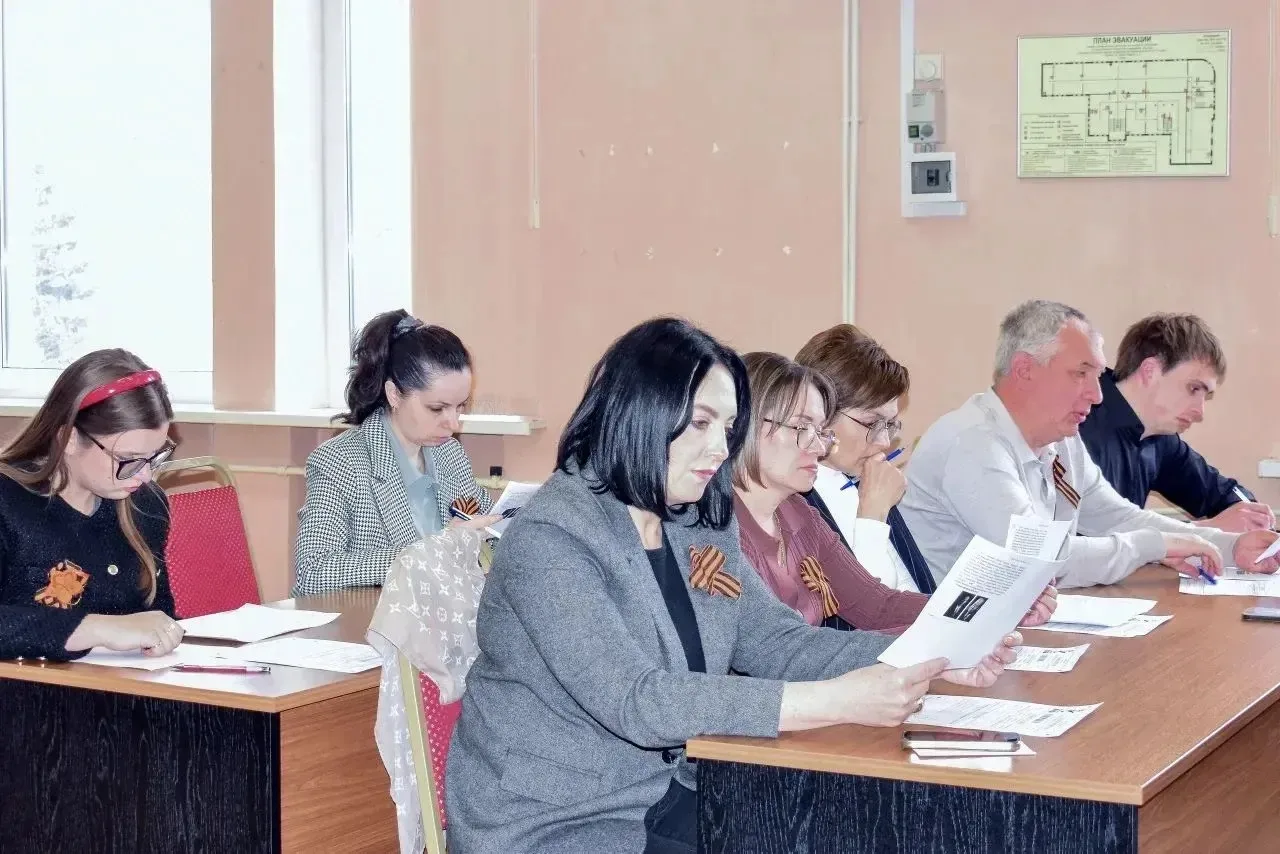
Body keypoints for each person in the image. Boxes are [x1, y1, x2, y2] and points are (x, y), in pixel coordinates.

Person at [446, 318, 1022, 854]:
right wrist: (834, 700)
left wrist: (934, 656)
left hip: (672, 794)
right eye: (701, 423)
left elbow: (778, 642)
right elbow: (638, 700)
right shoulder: (552, 539)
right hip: (557, 823)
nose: (721, 450)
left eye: (727, 428)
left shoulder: (695, 519)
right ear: (640, 411)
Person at [900, 300, 1280, 589]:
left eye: (1098, 377)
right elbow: (1037, 561)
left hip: (1011, 632)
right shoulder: (972, 442)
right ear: (1025, 370)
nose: (1097, 395)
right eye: (1081, 374)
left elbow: (1118, 517)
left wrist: (1231, 547)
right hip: (945, 646)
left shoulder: (1062, 440)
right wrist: (1154, 546)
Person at [732, 351, 1054, 632]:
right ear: (745, 425)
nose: (818, 446)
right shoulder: (726, 531)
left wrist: (995, 607)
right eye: (802, 428)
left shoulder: (801, 514)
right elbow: (793, 649)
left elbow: (879, 605)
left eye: (819, 431)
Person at [293, 310, 497, 596]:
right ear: (394, 395)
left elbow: (487, 531)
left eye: (460, 406)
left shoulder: (450, 454)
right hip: (372, 619)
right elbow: (312, 573)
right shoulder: (340, 461)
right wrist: (434, 550)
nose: (453, 424)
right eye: (437, 408)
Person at [0, 349, 183, 662]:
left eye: (154, 457)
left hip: (120, 687)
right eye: (128, 460)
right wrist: (96, 628)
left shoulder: (146, 505)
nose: (145, 476)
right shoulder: (8, 502)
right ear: (69, 439)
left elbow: (158, 617)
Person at [1079, 313, 1274, 533]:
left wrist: (1250, 512)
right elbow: (1082, 539)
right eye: (1194, 388)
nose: (1199, 412)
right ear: (1150, 371)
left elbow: (1217, 490)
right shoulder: (1077, 423)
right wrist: (1204, 529)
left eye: (1206, 395)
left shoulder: (1160, 438)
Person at [795, 324, 937, 593]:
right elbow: (864, 605)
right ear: (821, 412)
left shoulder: (863, 477)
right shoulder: (794, 499)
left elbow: (915, 587)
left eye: (890, 425)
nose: (883, 442)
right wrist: (872, 514)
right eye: (872, 423)